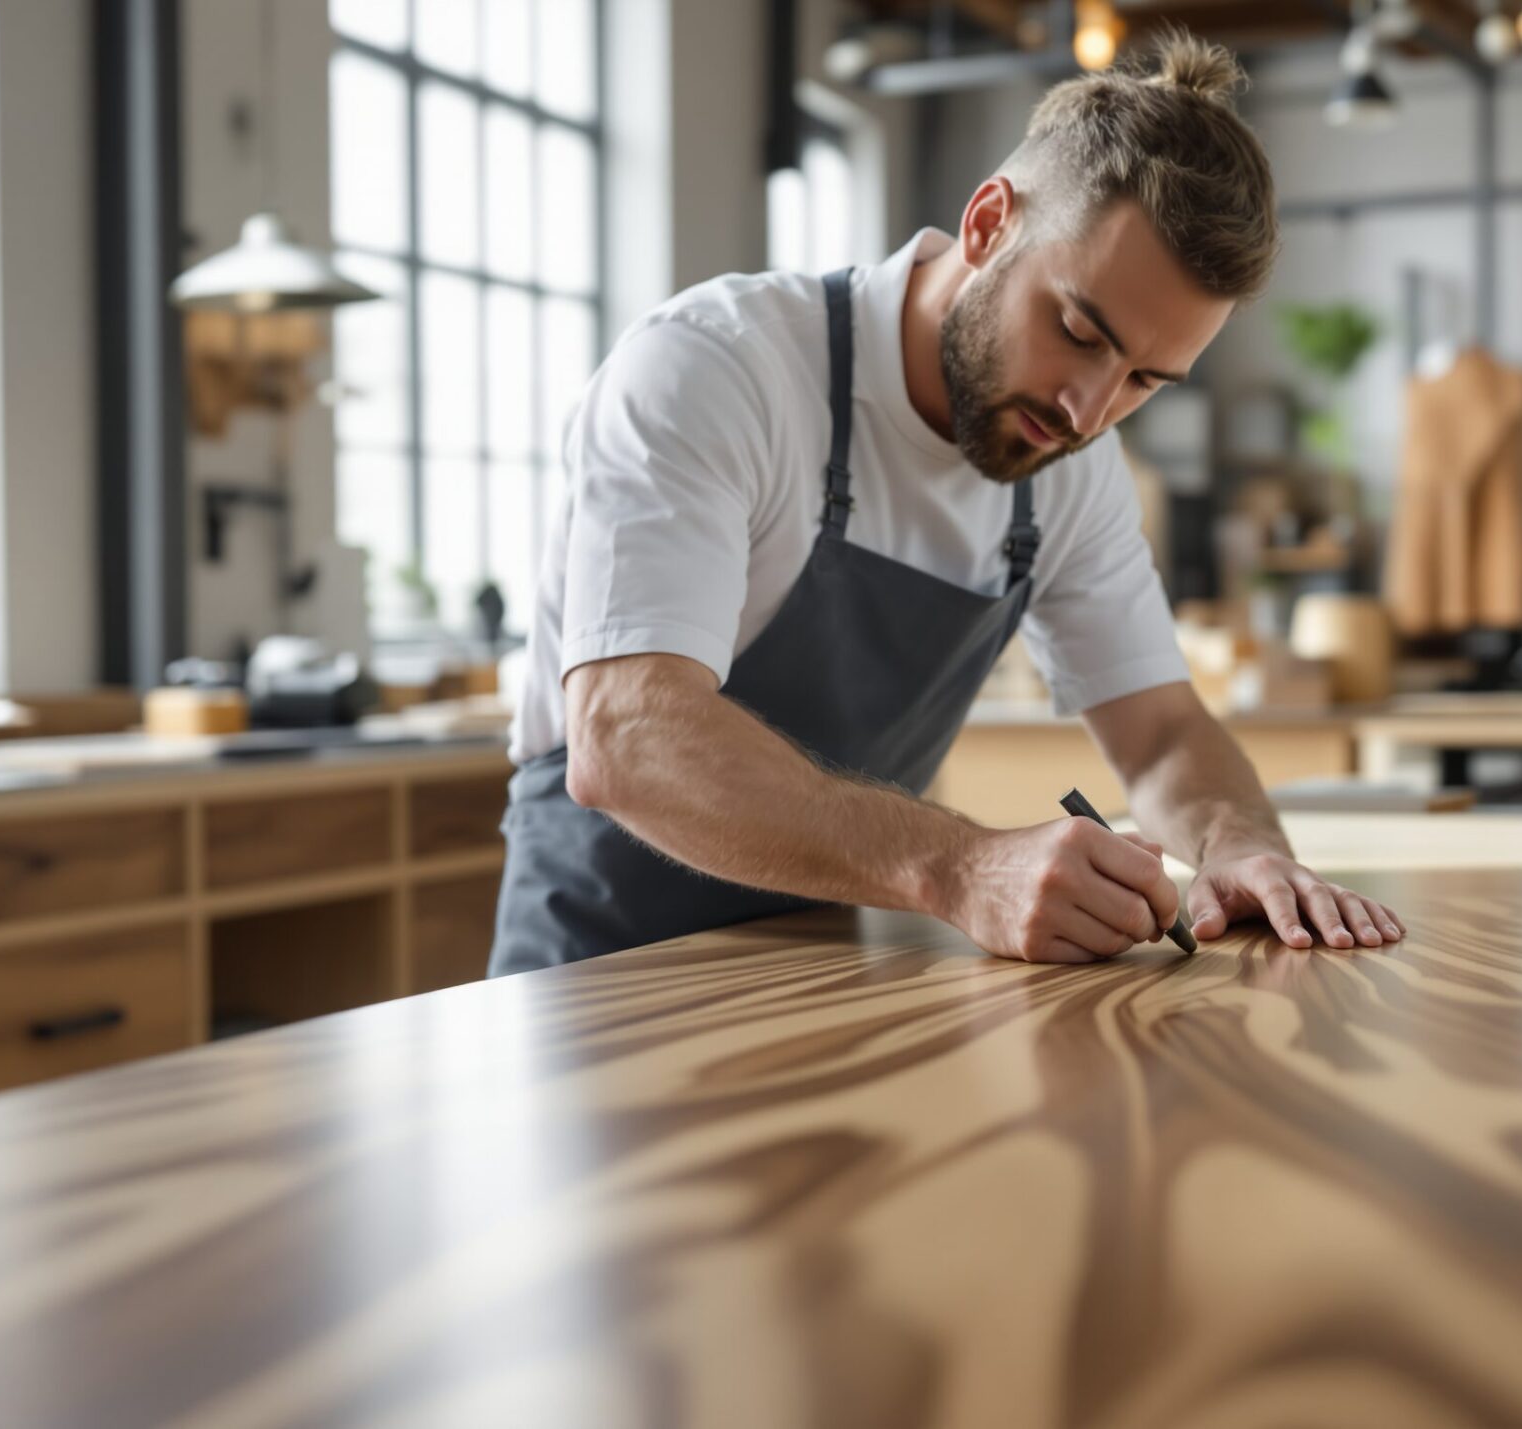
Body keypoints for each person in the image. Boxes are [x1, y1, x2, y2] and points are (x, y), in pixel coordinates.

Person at [490, 35, 1403, 975]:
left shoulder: (1074, 465)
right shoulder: (718, 368)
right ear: (989, 223)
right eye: (1080, 331)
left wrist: (1240, 844)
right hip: (595, 976)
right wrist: (959, 866)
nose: (1089, 409)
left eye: (1146, 380)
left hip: (814, 977)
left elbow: (1163, 734)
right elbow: (631, 737)